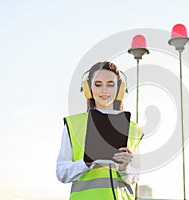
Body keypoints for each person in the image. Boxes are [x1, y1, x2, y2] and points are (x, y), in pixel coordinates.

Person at [56, 61, 143, 200]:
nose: (104, 90)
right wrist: (86, 163)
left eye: (110, 84)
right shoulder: (74, 125)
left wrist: (124, 167)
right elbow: (61, 173)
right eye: (98, 84)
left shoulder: (133, 129)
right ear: (88, 88)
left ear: (120, 88)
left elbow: (134, 178)